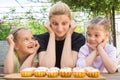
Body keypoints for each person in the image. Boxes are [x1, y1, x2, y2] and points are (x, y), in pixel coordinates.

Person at [34, 1, 85, 68]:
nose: (60, 29)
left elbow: (67, 67)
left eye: (64, 23)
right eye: (55, 23)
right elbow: (46, 67)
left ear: (70, 22)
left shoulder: (78, 38)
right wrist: (52, 35)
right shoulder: (41, 38)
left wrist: (69, 35)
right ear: (49, 23)